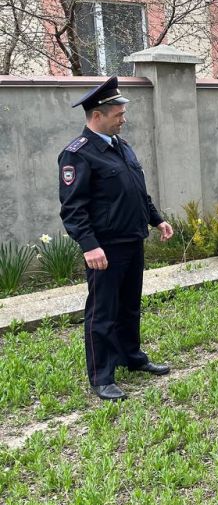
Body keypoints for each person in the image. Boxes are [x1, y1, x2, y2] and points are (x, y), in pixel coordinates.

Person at [58, 76, 174, 402]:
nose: (123, 119)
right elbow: (73, 209)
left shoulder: (121, 146)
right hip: (105, 248)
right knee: (102, 312)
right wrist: (89, 245)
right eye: (118, 114)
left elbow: (137, 191)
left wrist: (157, 219)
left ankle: (131, 357)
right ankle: (102, 375)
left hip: (131, 240)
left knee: (129, 307)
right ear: (98, 115)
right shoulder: (77, 155)